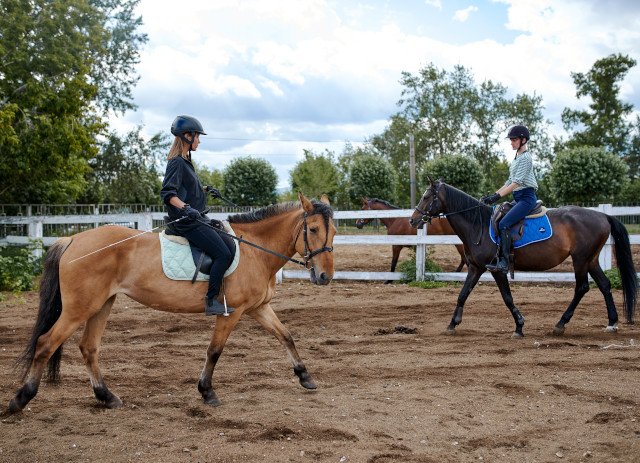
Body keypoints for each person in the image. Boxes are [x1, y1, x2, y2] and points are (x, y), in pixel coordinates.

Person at [160, 115, 234, 315]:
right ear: (186, 136)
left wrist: (205, 189)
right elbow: (168, 194)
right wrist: (185, 208)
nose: (199, 141)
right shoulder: (176, 162)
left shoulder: (185, 161)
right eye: (197, 137)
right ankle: (211, 301)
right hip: (187, 222)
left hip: (196, 217)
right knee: (223, 254)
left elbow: (187, 188)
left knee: (229, 244)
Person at [480, 125, 538, 273]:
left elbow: (516, 183)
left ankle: (504, 263)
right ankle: (498, 256)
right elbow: (508, 182)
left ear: (523, 140)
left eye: (514, 140)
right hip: (518, 198)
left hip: (526, 198)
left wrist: (497, 196)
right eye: (511, 140)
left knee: (504, 224)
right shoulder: (517, 158)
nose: (511, 142)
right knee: (498, 218)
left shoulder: (526, 158)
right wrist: (493, 195)